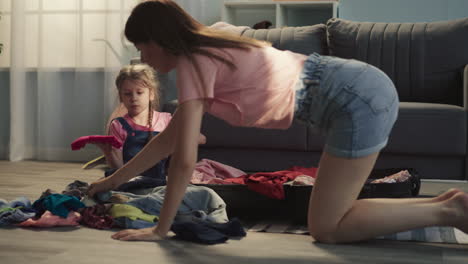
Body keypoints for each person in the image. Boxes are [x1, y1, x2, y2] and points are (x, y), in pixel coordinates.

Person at [87, 0, 468, 243]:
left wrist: (160, 228)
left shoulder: (193, 63)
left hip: (354, 99)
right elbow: (169, 139)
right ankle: (449, 203)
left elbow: (184, 159)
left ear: (159, 39)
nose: (144, 57)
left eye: (142, 47)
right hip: (357, 86)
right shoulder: (212, 39)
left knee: (327, 228)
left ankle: (448, 211)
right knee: (331, 217)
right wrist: (112, 181)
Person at [93, 63, 206, 189]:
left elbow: (201, 138)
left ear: (151, 94)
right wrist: (108, 153)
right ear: (121, 96)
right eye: (127, 94)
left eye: (139, 92)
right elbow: (118, 169)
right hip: (128, 183)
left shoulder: (166, 120)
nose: (134, 98)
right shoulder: (118, 125)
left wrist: (181, 138)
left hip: (158, 184)